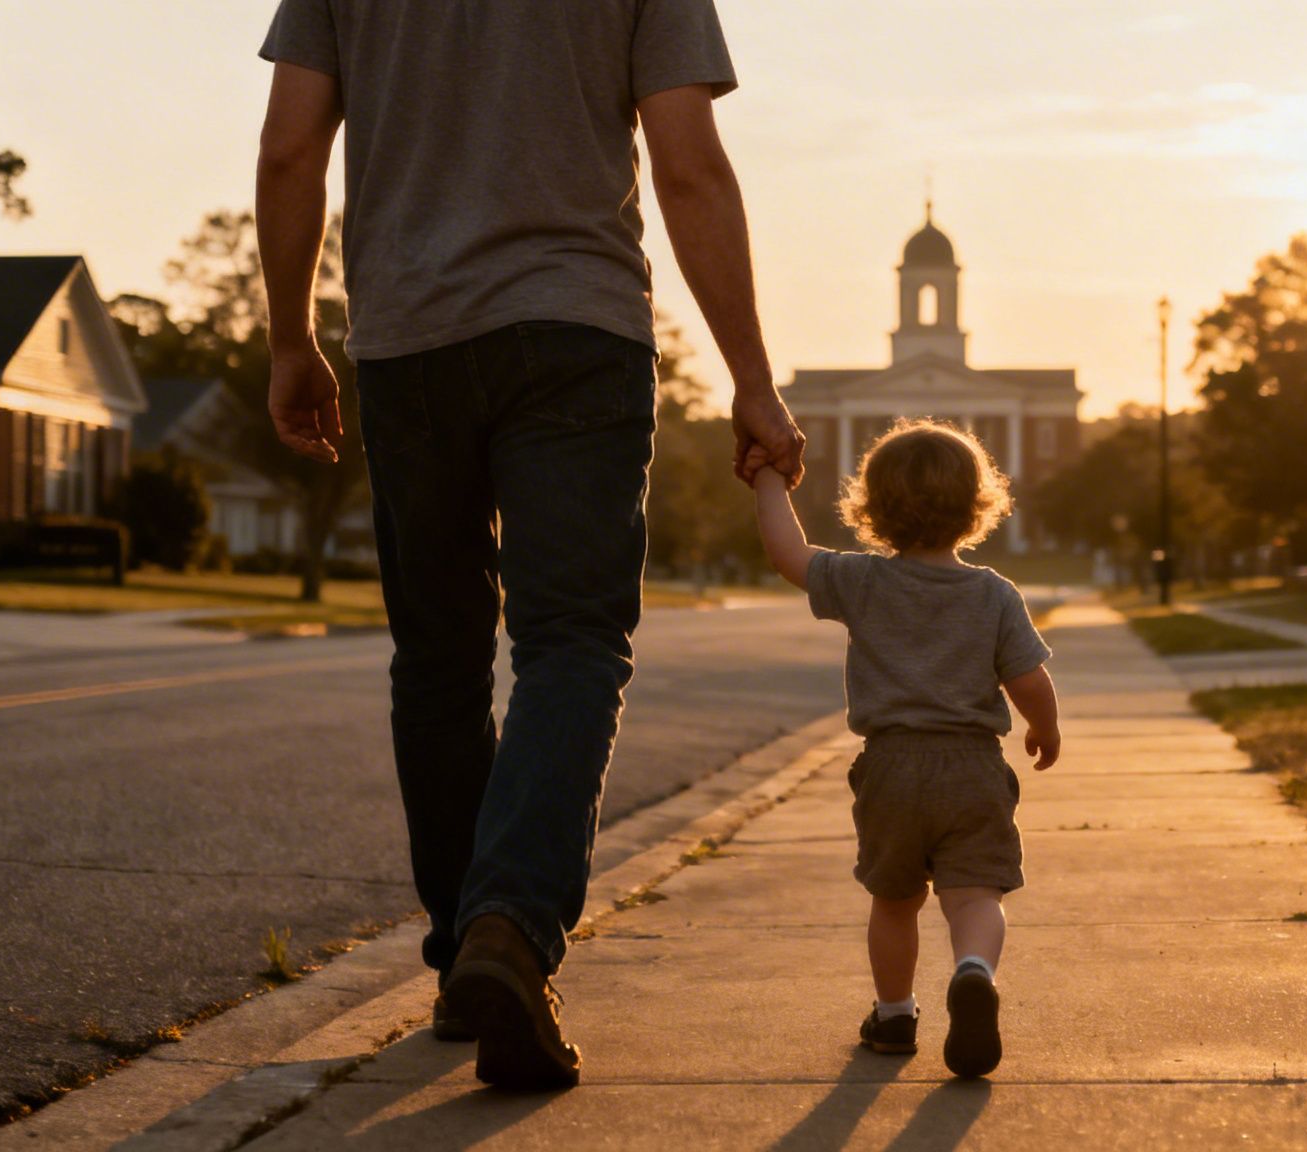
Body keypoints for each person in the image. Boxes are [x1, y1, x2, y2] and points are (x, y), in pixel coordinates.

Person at [255, 0, 804, 1092]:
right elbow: (688, 166)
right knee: (572, 643)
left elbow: (286, 150)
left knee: (440, 658)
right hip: (576, 329)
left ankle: (467, 944)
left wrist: (289, 339)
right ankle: (506, 928)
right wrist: (748, 374)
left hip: (410, 339)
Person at [750, 420, 1061, 1078]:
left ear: (872, 509)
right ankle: (974, 971)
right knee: (975, 896)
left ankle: (894, 1015)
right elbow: (1030, 679)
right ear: (979, 505)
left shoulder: (860, 582)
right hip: (972, 767)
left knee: (894, 900)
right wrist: (1045, 727)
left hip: (890, 766)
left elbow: (788, 554)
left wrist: (769, 479)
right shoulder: (994, 594)